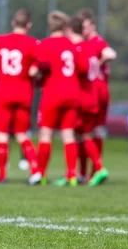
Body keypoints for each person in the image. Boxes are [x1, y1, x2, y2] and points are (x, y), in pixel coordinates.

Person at [0, 9, 42, 185]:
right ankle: (35, 171)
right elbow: (43, 62)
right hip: (23, 93)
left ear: (13, 23)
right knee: (22, 134)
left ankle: (1, 174)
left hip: (4, 93)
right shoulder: (33, 43)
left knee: (2, 136)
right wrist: (34, 70)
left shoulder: (1, 40)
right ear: (28, 25)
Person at [32, 11, 88, 187]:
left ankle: (40, 174)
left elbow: (40, 67)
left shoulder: (45, 44)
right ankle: (72, 174)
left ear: (49, 26)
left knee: (46, 134)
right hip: (72, 93)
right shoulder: (72, 45)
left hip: (52, 93)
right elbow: (83, 68)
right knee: (68, 134)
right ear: (65, 27)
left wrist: (36, 77)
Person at [65, 16, 109, 186]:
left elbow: (82, 69)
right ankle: (83, 172)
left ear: (69, 30)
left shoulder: (79, 48)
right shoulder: (90, 47)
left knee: (81, 135)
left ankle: (97, 168)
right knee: (83, 135)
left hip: (82, 97)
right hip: (92, 95)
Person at [77, 9, 117, 178]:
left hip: (96, 92)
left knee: (84, 132)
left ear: (93, 26)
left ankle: (94, 169)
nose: (83, 31)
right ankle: (89, 171)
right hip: (98, 92)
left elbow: (111, 54)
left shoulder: (97, 41)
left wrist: (98, 64)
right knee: (92, 131)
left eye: (85, 27)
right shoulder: (88, 42)